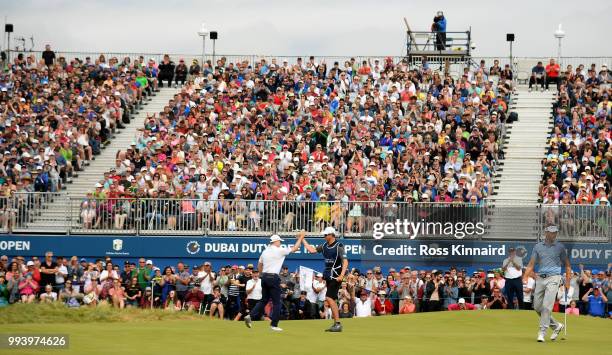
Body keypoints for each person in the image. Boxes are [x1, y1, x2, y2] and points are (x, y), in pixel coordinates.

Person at [244, 232, 305, 331]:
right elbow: (294, 248)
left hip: (264, 278)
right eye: (279, 241)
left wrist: (263, 275)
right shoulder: (279, 250)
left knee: (264, 300)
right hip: (273, 277)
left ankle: (250, 316)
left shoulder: (265, 251)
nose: (280, 243)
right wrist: (301, 237)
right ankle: (274, 325)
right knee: (277, 302)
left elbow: (259, 265)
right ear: (275, 241)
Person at [523, 225, 572, 342]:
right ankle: (556, 326)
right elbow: (531, 263)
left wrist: (568, 281)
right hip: (540, 278)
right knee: (537, 306)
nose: (553, 234)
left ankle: (542, 333)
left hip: (554, 278)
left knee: (546, 306)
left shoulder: (560, 247)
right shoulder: (538, 247)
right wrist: (525, 276)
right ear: (546, 233)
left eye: (555, 232)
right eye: (551, 232)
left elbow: (567, 265)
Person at [302, 226, 348, 332]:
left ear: (331, 235)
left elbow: (345, 261)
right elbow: (312, 250)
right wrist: (302, 239)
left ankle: (337, 323)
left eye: (325, 235)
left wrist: (341, 275)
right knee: (330, 298)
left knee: (329, 298)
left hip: (335, 277)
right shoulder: (324, 245)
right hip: (328, 276)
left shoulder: (339, 246)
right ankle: (336, 323)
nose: (324, 236)